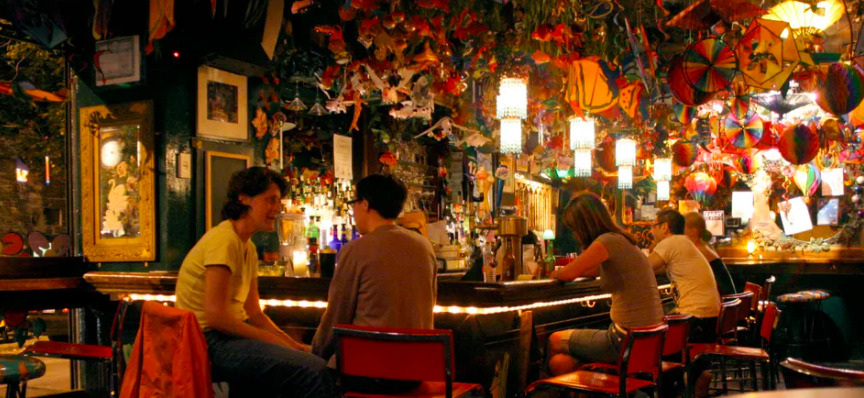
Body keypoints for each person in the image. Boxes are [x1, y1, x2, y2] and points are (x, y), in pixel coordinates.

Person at [175, 167, 335, 397]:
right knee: (315, 371)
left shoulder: (246, 246)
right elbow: (216, 317)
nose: (278, 208)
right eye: (271, 200)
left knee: (312, 360)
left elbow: (255, 313)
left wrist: (292, 344)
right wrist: (274, 341)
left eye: (279, 201)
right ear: (244, 199)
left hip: (228, 339)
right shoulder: (224, 240)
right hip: (206, 343)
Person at [312, 174, 437, 392]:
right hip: (414, 372)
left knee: (303, 376)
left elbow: (337, 316)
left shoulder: (355, 250)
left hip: (365, 373)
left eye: (354, 203)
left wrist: (316, 352)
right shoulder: (424, 246)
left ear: (365, 204)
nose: (353, 211)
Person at [546, 193, 664, 375]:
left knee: (555, 339)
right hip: (647, 340)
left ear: (584, 225)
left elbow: (568, 274)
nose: (575, 236)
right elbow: (594, 271)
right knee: (561, 362)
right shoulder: (622, 240)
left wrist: (555, 273)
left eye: (575, 229)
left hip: (622, 340)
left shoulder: (606, 241)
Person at [648, 209, 721, 398]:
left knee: (654, 345)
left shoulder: (670, 242)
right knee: (662, 330)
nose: (651, 231)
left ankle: (669, 390)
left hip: (694, 317)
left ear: (664, 227)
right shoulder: (683, 242)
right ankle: (694, 377)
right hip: (709, 317)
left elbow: (643, 268)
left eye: (654, 226)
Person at [684, 212, 737, 296]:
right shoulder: (703, 245)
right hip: (717, 296)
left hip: (722, 299)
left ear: (693, 230)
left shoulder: (699, 250)